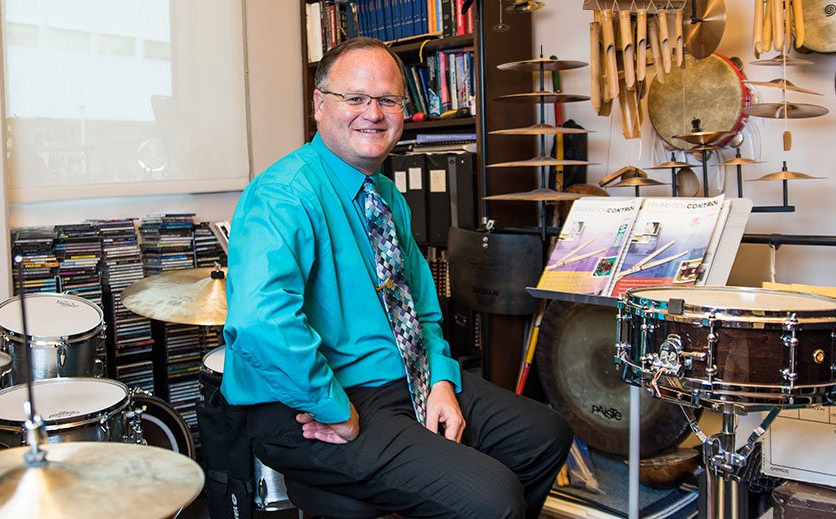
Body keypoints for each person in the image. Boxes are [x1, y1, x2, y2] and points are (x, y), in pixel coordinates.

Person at [221, 36, 572, 518]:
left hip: (403, 378)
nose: (374, 113)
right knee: (492, 498)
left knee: (544, 436)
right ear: (319, 105)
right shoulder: (283, 195)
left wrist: (441, 380)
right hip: (306, 404)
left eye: (388, 100)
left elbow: (422, 310)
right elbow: (262, 323)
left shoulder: (387, 196)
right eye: (356, 99)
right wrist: (335, 410)